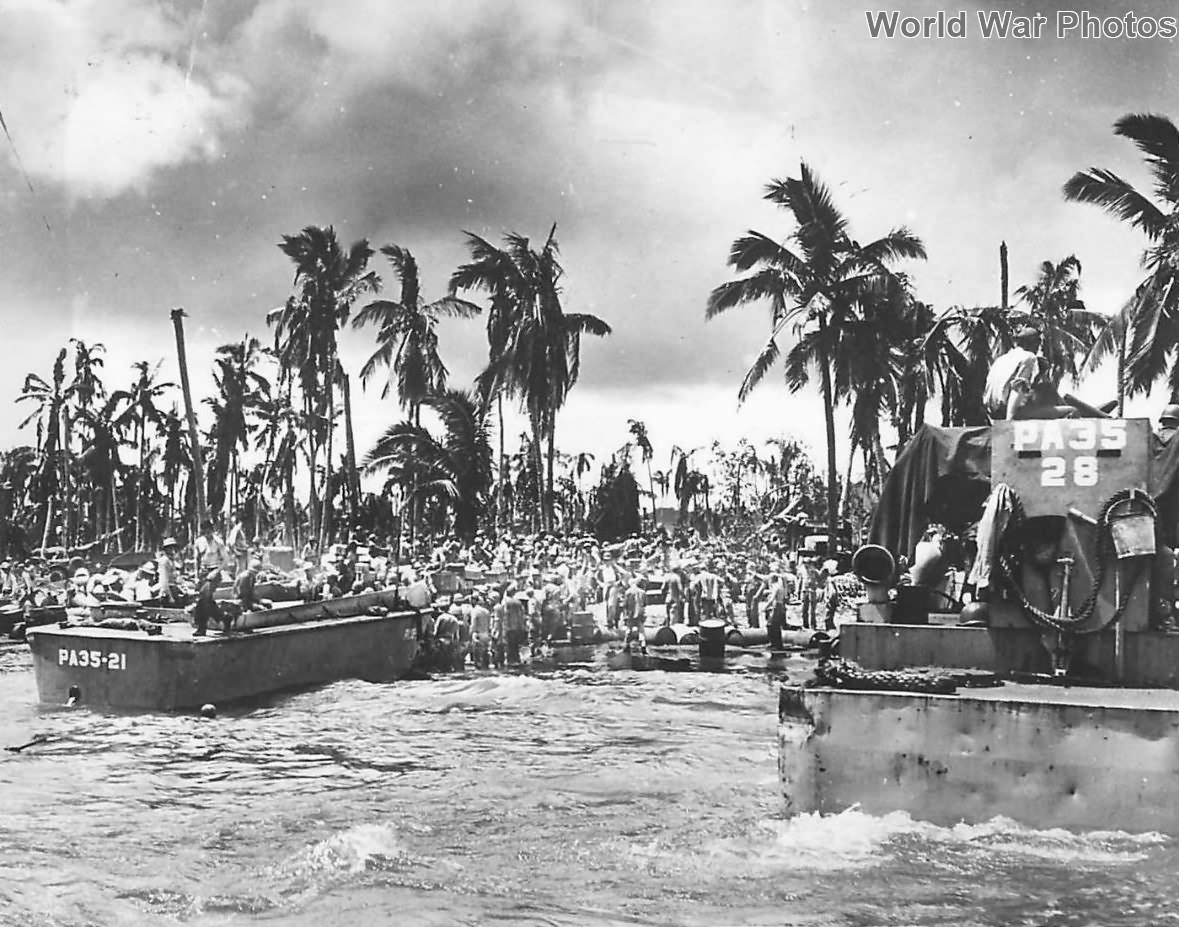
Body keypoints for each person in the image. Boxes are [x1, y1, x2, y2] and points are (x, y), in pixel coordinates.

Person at [984, 327, 1042, 421]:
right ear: (1031, 343)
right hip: (1008, 411)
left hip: (992, 412)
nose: (1038, 347)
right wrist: (1010, 421)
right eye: (1037, 343)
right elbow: (1018, 388)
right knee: (1071, 410)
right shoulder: (1029, 357)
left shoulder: (1000, 359)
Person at [192, 568, 224, 637]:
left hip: (210, 577)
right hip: (208, 578)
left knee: (204, 606)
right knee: (209, 606)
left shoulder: (210, 580)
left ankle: (202, 629)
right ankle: (225, 619)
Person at [227, 510, 251, 575]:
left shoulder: (242, 529)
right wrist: (236, 552)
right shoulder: (237, 529)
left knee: (244, 569)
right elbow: (231, 542)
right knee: (240, 569)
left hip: (244, 551)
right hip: (239, 552)